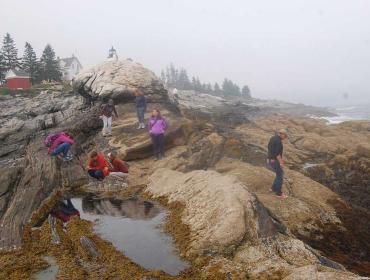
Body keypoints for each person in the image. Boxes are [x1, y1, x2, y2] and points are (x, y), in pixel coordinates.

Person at [267, 129, 288, 198]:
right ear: (282, 134)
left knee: (278, 174)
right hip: (275, 161)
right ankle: (279, 193)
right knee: (280, 176)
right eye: (285, 136)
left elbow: (269, 148)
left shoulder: (273, 138)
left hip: (271, 160)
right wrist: (281, 163)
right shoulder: (278, 141)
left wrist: (268, 158)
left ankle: (273, 188)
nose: (285, 138)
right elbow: (277, 154)